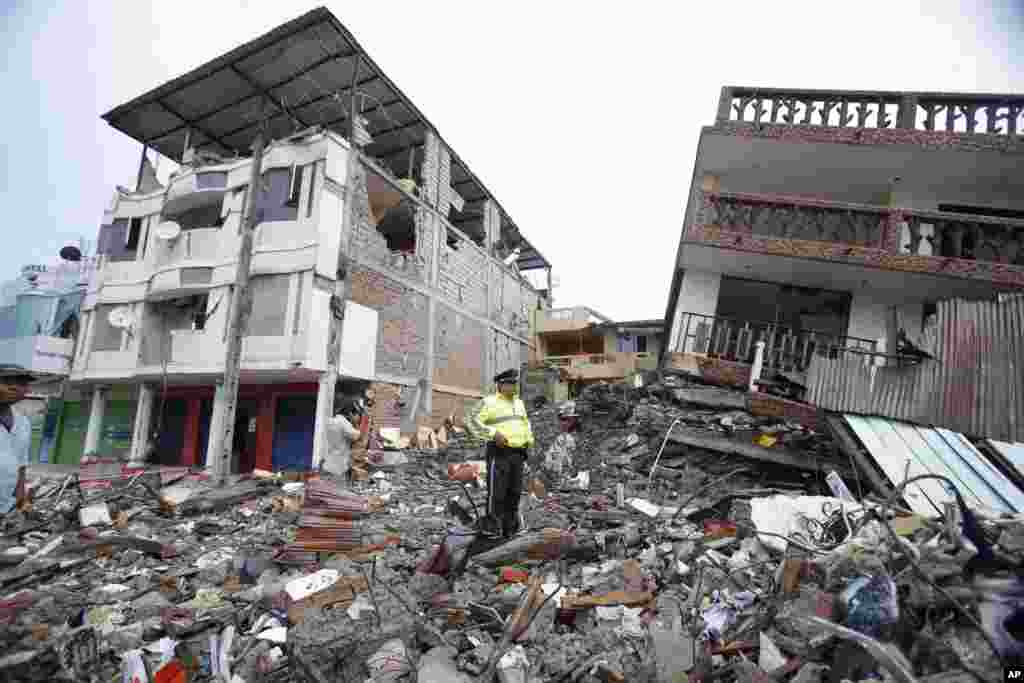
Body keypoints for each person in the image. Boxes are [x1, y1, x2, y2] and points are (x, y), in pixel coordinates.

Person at [466, 368, 535, 538]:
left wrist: (529, 441)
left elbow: (525, 424)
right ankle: (492, 527)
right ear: (500, 385)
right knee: (497, 492)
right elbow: (469, 420)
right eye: (509, 384)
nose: (513, 387)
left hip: (518, 454)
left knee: (515, 492)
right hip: (500, 453)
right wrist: (492, 434)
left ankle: (509, 529)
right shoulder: (488, 402)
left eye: (515, 384)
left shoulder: (519, 403)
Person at [0, 365, 35, 513]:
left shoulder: (23, 422)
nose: (14, 387)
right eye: (7, 381)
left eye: (21, 383)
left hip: (6, 506)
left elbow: (21, 464)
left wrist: (20, 501)